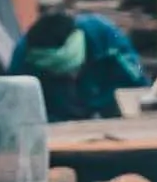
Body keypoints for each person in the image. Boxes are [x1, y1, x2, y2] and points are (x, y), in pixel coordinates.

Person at [10, 10, 146, 123]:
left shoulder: (105, 37)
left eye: (74, 69)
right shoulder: (24, 57)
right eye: (60, 73)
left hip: (110, 111)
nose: (71, 76)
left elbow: (140, 87)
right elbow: (16, 110)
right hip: (58, 123)